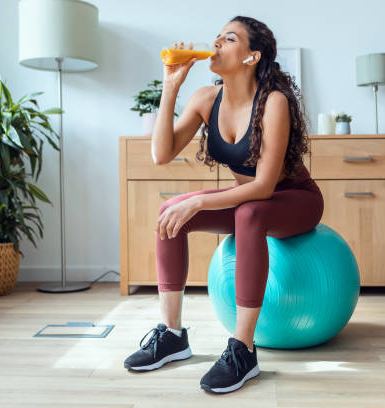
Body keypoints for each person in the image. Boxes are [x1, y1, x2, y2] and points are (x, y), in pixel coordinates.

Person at [124, 15, 324, 394]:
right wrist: (170, 86)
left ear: (251, 57)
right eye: (216, 37)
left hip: (295, 199)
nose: (215, 44)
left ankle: (243, 350)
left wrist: (201, 200)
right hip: (249, 198)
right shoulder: (205, 99)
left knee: (248, 211)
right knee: (172, 212)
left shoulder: (274, 102)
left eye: (228, 39)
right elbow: (161, 154)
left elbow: (264, 186)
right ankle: (171, 335)